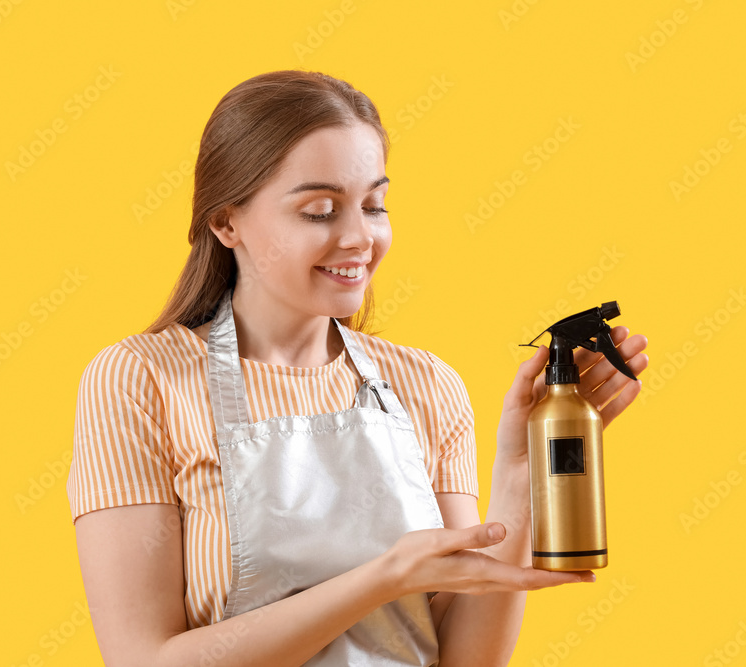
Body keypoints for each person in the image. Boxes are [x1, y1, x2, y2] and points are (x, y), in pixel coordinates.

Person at [66, 70, 648, 667]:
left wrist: (520, 486)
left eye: (374, 205)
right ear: (226, 223)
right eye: (320, 212)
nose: (359, 238)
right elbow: (142, 659)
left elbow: (462, 659)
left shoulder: (425, 386)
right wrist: (384, 578)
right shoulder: (141, 380)